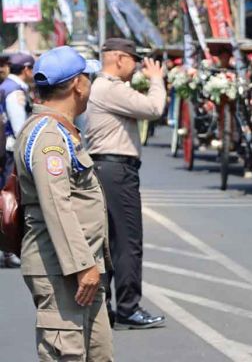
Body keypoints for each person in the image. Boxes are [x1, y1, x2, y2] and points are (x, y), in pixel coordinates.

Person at [15, 46, 112, 360]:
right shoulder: (49, 137)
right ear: (77, 84)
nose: (89, 84)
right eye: (88, 76)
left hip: (79, 265)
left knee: (98, 354)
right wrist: (83, 266)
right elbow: (56, 204)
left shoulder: (60, 131)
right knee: (67, 355)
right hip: (63, 269)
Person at [84, 38, 166, 330]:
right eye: (134, 59)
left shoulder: (105, 87)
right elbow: (154, 108)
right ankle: (129, 307)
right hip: (117, 170)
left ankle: (106, 307)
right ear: (119, 59)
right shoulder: (110, 88)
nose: (137, 66)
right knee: (128, 241)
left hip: (107, 169)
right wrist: (156, 80)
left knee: (109, 243)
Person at [0, 53, 34, 268]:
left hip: (5, 151)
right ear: (26, 69)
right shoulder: (15, 91)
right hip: (11, 152)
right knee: (10, 200)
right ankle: (8, 249)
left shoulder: (8, 86)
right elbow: (21, 129)